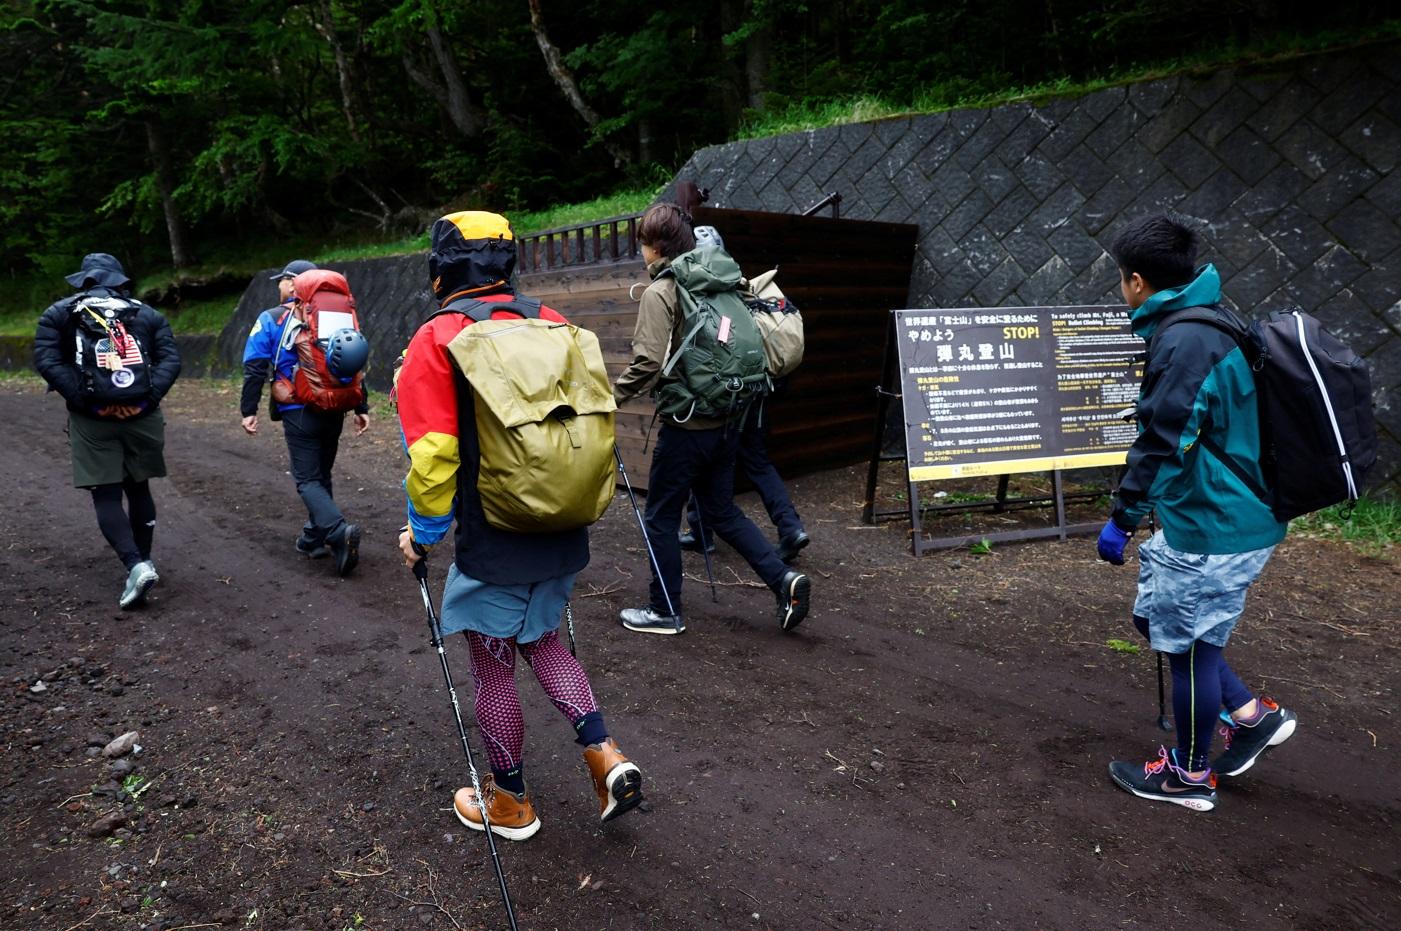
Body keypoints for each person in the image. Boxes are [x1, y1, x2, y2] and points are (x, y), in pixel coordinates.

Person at [396, 211, 644, 840]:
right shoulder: (554, 322)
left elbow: (434, 456)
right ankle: (605, 756)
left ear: (442, 268)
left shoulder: (439, 337)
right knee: (545, 642)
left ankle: (509, 802)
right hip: (564, 518)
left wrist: (422, 535)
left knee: (492, 667)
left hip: (496, 533)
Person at [1099, 214, 1297, 812]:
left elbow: (1163, 441)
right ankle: (1251, 716)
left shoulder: (1185, 341)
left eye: (1120, 279)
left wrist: (1123, 517)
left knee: (1189, 651)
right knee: (1159, 623)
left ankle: (1187, 776)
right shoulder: (1212, 319)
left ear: (1136, 282)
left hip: (1215, 524)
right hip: (1223, 513)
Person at [613, 203, 812, 635]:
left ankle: (664, 610)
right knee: (722, 511)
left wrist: (610, 398)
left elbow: (647, 363)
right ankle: (783, 579)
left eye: (643, 244)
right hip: (728, 420)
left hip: (687, 427)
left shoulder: (662, 291)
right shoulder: (722, 282)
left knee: (661, 518)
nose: (642, 252)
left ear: (656, 247)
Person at [33, 253, 182, 608]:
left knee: (106, 493)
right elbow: (170, 359)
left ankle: (135, 565)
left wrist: (89, 403)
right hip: (142, 417)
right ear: (120, 281)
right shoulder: (147, 314)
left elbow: (47, 361)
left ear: (84, 280)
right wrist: (145, 401)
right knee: (139, 487)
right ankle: (144, 560)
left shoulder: (59, 314)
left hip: (93, 421)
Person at [677, 223, 810, 564]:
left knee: (706, 456)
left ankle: (702, 532)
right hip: (760, 387)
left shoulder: (710, 290)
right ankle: (790, 527)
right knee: (757, 461)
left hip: (731, 393)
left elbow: (714, 343)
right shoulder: (741, 282)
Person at [240, 259, 367, 576]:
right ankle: (314, 539)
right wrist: (361, 407)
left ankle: (337, 532)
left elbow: (255, 365)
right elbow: (352, 359)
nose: (279, 285)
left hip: (298, 409)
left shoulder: (273, 318)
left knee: (308, 479)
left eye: (282, 280)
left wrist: (248, 410)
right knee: (321, 475)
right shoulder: (338, 316)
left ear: (293, 282)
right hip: (335, 405)